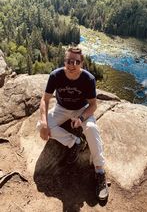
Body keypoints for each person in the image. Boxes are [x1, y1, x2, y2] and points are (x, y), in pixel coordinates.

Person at [39, 47, 109, 200]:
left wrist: (81, 119)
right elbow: (44, 100)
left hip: (81, 110)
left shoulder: (88, 79)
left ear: (81, 64)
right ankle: (75, 142)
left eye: (76, 61)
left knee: (91, 128)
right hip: (61, 109)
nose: (72, 65)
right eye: (69, 61)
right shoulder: (55, 76)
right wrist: (44, 123)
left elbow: (93, 105)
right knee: (40, 125)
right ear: (65, 61)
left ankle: (100, 172)